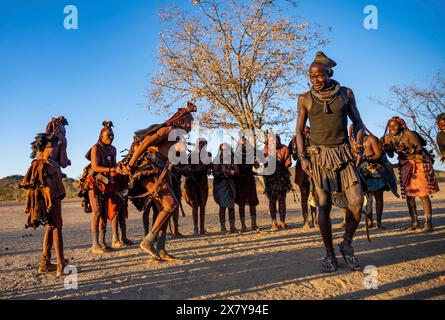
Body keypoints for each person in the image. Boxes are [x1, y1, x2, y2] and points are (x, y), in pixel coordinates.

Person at [296, 51, 365, 273]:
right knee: (323, 205)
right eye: (311, 76)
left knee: (357, 201)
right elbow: (298, 131)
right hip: (319, 156)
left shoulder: (346, 93)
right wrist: (303, 156)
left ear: (329, 73)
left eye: (320, 75)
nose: (315, 79)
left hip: (344, 154)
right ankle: (329, 253)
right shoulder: (304, 98)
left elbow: (358, 123)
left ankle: (346, 244)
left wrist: (360, 145)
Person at [119, 102, 196, 260]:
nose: (192, 126)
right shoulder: (168, 129)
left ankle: (161, 250)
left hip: (161, 170)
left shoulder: (177, 135)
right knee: (171, 205)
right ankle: (148, 241)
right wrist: (131, 164)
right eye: (190, 122)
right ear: (181, 120)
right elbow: (146, 142)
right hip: (150, 169)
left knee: (166, 210)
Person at [20, 116, 70, 277]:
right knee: (57, 224)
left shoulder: (42, 139)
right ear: (60, 128)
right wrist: (66, 161)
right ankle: (61, 264)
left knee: (50, 223)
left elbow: (36, 156)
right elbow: (62, 162)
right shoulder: (60, 138)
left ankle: (45, 262)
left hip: (36, 177)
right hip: (49, 178)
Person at [382, 116, 439, 232]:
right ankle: (415, 223)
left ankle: (428, 223)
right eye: (390, 126)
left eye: (395, 126)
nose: (392, 128)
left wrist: (408, 150)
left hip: (418, 163)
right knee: (409, 195)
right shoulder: (387, 138)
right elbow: (392, 155)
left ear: (401, 125)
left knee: (423, 193)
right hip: (405, 165)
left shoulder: (409, 134)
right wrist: (387, 149)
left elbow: (419, 148)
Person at [87, 121, 127, 253]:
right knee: (97, 212)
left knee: (104, 213)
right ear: (101, 136)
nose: (111, 137)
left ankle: (102, 243)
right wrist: (111, 169)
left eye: (112, 136)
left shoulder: (113, 149)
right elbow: (95, 167)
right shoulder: (95, 148)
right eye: (108, 135)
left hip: (108, 184)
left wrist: (119, 171)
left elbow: (114, 165)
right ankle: (94, 244)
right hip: (95, 183)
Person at [350, 126, 399, 229]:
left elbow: (378, 154)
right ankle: (369, 221)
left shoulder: (371, 139)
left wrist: (367, 159)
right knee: (367, 198)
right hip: (362, 172)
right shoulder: (353, 142)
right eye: (352, 131)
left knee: (378, 196)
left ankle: (379, 222)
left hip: (375, 170)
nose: (354, 133)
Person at [289, 127, 318, 229]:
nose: (307, 134)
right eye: (305, 132)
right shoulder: (294, 141)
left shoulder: (314, 140)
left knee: (313, 196)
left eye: (308, 132)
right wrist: (296, 149)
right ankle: (306, 221)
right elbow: (294, 157)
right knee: (304, 197)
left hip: (313, 170)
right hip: (301, 170)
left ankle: (315, 221)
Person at [264, 134, 292, 230]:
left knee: (282, 199)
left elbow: (289, 161)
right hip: (270, 177)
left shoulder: (284, 148)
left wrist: (285, 164)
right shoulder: (266, 149)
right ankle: (274, 222)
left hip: (282, 177)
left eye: (275, 140)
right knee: (272, 200)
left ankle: (282, 222)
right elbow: (264, 162)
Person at [184, 138, 212, 235]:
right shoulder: (192, 155)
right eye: (200, 144)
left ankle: (202, 228)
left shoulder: (208, 155)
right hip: (193, 182)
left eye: (204, 144)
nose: (201, 145)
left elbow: (209, 167)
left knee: (203, 206)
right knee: (195, 205)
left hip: (203, 182)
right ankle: (196, 228)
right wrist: (194, 171)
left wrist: (208, 170)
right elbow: (188, 169)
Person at [212, 143, 239, 234]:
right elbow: (214, 173)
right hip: (220, 185)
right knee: (222, 206)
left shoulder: (232, 159)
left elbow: (237, 171)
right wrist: (222, 173)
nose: (225, 151)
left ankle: (232, 227)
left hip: (230, 184)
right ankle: (223, 228)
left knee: (231, 206)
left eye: (227, 149)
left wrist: (232, 172)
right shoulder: (217, 159)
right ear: (221, 150)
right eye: (223, 149)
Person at [234, 137, 260, 232]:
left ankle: (254, 224)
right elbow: (236, 168)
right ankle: (243, 225)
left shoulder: (251, 154)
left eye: (245, 144)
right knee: (241, 204)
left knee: (252, 202)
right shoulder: (236, 155)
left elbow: (256, 166)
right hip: (240, 181)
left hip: (249, 179)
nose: (244, 146)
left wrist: (255, 162)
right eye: (242, 144)